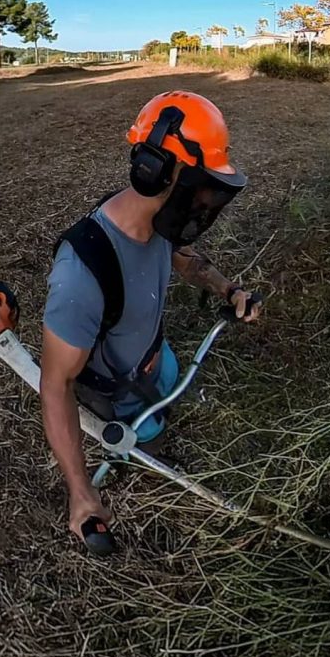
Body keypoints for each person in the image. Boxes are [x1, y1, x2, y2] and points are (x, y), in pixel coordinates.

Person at [40, 91, 262, 542]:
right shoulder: (81, 271)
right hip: (118, 392)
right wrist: (81, 492)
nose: (205, 201)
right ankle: (145, 445)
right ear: (154, 171)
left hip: (156, 360)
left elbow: (181, 255)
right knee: (153, 443)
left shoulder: (159, 224)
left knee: (172, 383)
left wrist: (228, 288)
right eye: (199, 184)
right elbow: (55, 383)